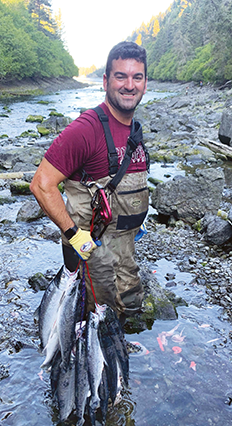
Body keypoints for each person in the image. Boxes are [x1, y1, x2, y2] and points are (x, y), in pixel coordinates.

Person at [30, 41, 149, 323]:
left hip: (124, 249)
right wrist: (73, 234)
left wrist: (136, 219)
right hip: (91, 255)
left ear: (146, 83)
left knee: (129, 313)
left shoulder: (134, 129)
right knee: (92, 326)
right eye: (121, 76)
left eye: (137, 77)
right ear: (106, 81)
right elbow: (41, 184)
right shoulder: (86, 129)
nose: (129, 85)